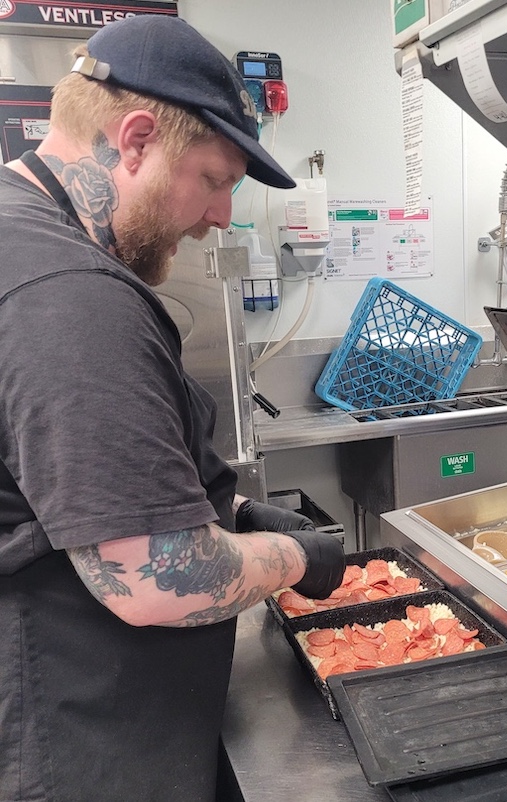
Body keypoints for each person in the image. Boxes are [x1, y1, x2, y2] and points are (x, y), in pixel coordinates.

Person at [0, 14, 345, 802]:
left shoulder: (20, 233)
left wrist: (236, 511)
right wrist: (302, 558)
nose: (221, 215)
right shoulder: (69, 296)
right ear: (136, 140)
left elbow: (54, 480)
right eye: (215, 180)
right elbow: (160, 581)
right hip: (80, 737)